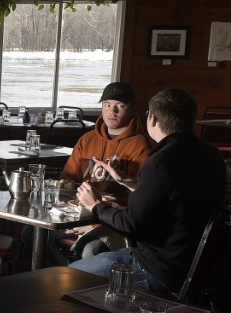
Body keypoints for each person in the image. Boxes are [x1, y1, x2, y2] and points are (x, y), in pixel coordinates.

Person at [70, 88, 227, 294]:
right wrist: (130, 182)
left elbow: (130, 225)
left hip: (158, 269)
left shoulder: (160, 161)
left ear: (152, 119)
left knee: (68, 277)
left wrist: (95, 205)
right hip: (201, 267)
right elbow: (178, 197)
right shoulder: (211, 154)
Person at [22, 82, 153, 265]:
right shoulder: (87, 139)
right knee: (31, 232)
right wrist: (70, 214)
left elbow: (139, 202)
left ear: (131, 110)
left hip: (112, 221)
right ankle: (62, 276)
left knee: (89, 249)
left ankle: (74, 280)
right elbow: (67, 182)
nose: (112, 111)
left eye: (120, 106)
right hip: (76, 214)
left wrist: (94, 223)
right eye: (107, 105)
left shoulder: (141, 146)